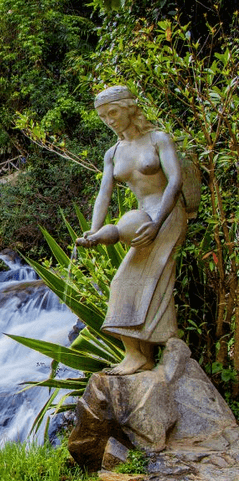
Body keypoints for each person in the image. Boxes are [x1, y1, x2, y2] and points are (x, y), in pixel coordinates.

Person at [76, 85, 186, 376]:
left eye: (113, 112)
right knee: (140, 280)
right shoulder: (112, 153)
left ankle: (139, 355)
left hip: (166, 214)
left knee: (126, 279)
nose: (109, 120)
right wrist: (93, 230)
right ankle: (143, 354)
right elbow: (104, 194)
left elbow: (174, 182)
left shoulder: (158, 139)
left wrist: (157, 222)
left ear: (128, 108)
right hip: (139, 219)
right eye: (103, 116)